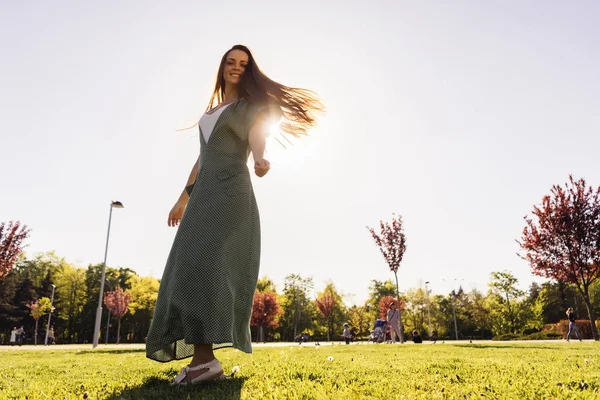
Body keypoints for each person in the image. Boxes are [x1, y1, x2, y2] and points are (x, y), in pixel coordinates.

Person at [145, 44, 323, 385]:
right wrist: (183, 198)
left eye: (243, 64)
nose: (236, 68)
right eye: (231, 62)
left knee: (209, 269)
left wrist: (260, 158)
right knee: (186, 268)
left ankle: (204, 362)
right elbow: (202, 158)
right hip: (203, 197)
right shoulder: (211, 112)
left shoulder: (249, 107)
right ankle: (204, 359)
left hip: (231, 192)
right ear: (222, 67)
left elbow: (258, 133)